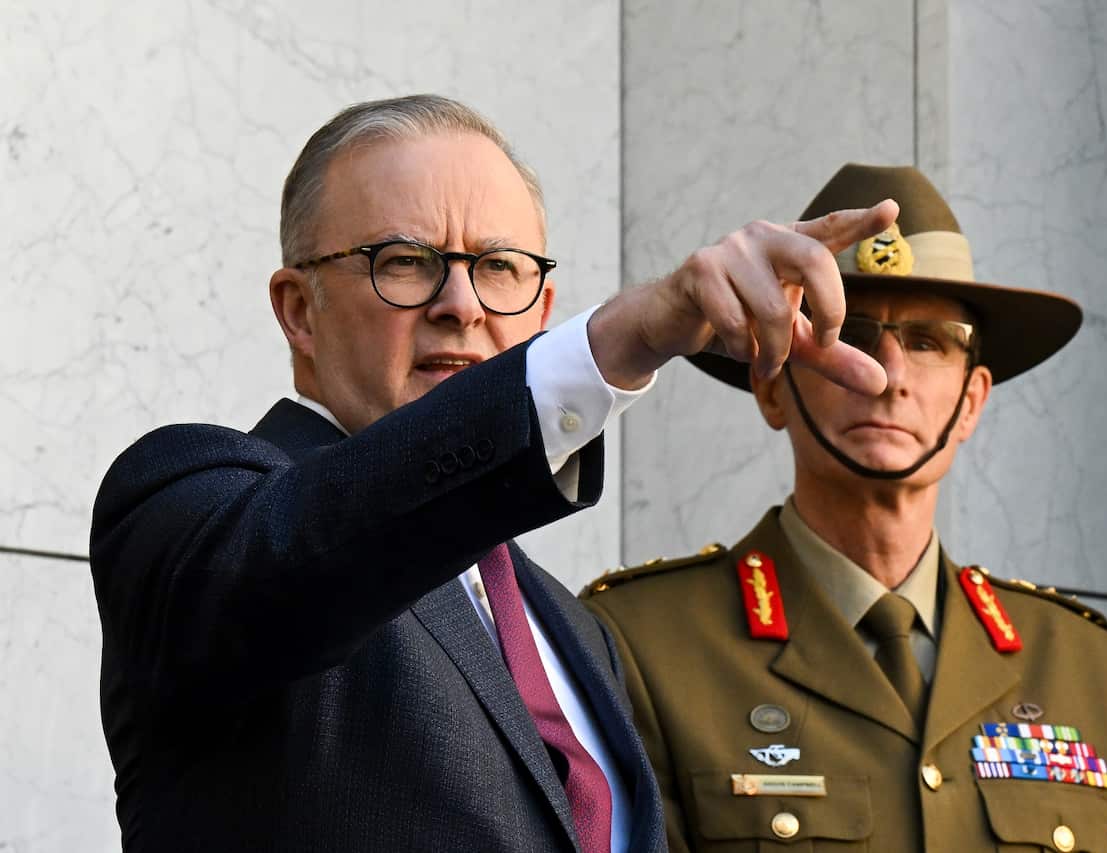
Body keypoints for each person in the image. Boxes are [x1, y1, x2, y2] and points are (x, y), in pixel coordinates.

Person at [88, 96, 898, 853]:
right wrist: (616, 340)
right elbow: (304, 553)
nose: (462, 303)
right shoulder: (188, 504)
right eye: (403, 261)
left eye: (501, 267)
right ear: (300, 309)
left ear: (541, 313)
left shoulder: (569, 628)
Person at [582, 164, 1107, 852]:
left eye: (927, 340)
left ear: (971, 401)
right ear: (772, 387)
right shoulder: (642, 644)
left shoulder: (1086, 666)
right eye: (847, 334)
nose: (888, 376)